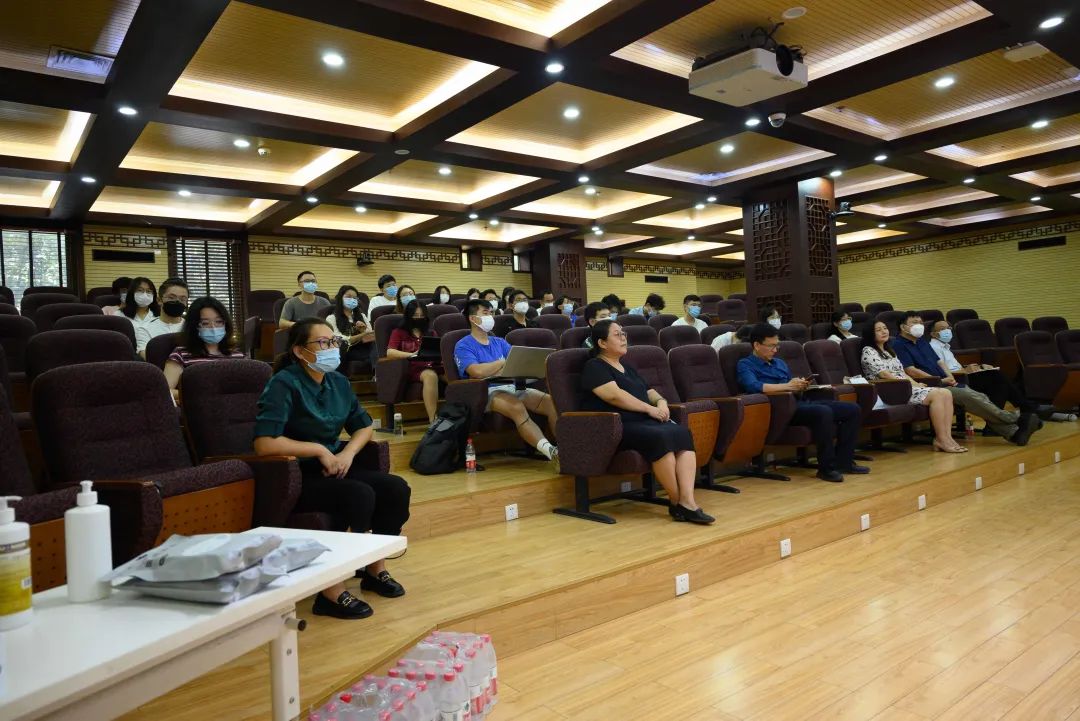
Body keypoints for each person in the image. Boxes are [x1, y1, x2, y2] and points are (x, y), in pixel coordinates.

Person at [254, 318, 411, 620]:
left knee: (395, 489)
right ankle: (330, 591)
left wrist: (348, 453)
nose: (331, 348)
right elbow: (265, 443)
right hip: (295, 474)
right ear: (300, 351)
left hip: (336, 465)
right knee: (358, 494)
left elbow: (364, 426)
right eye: (323, 343)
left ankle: (374, 569)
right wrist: (319, 450)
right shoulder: (284, 383)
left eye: (333, 342)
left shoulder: (337, 381)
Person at [581, 320, 713, 524]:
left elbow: (650, 392)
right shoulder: (594, 366)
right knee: (660, 436)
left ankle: (688, 501)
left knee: (681, 433)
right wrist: (650, 409)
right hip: (618, 424)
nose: (623, 338)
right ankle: (676, 501)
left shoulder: (627, 367)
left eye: (624, 333)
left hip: (643, 421)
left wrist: (661, 403)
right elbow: (614, 396)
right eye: (617, 334)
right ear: (602, 343)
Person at [737, 323, 867, 482]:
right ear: (757, 345)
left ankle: (844, 462)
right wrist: (788, 386)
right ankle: (826, 468)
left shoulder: (779, 363)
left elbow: (791, 386)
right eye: (771, 346)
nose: (775, 350)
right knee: (823, 412)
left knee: (852, 409)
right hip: (780, 410)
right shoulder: (745, 364)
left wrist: (800, 385)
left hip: (799, 402)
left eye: (777, 346)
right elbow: (753, 386)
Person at [892, 311, 1040, 446]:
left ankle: (1014, 433)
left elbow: (939, 362)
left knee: (980, 397)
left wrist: (950, 376)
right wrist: (939, 380)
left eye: (920, 322)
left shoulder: (922, 342)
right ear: (903, 327)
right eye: (914, 322)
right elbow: (911, 370)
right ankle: (1017, 418)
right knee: (971, 396)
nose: (919, 325)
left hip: (946, 381)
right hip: (930, 386)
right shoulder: (898, 344)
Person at [453, 299, 559, 466]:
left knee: (551, 402)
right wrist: (501, 363)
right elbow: (477, 372)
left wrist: (495, 368)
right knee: (516, 406)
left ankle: (565, 447)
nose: (490, 317)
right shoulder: (463, 345)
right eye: (485, 313)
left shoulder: (499, 342)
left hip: (511, 385)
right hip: (484, 391)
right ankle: (551, 452)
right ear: (472, 318)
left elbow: (516, 363)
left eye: (491, 313)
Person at [860, 321, 964, 453]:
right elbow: (885, 375)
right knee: (937, 395)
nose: (884, 331)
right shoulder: (868, 351)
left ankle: (947, 438)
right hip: (889, 390)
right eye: (878, 330)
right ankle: (940, 439)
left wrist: (916, 384)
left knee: (946, 393)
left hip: (903, 386)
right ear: (870, 334)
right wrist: (908, 385)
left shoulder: (889, 351)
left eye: (885, 328)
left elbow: (902, 372)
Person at [928, 320, 1036, 416]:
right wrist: (966, 370)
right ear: (933, 334)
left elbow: (954, 366)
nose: (947, 331)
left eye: (948, 328)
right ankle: (1023, 407)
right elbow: (943, 372)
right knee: (996, 378)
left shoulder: (945, 347)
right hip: (955, 381)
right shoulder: (934, 347)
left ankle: (1019, 409)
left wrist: (977, 367)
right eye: (943, 329)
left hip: (962, 376)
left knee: (996, 378)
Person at [163, 297, 245, 402]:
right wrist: (199, 397)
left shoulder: (238, 355)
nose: (213, 327)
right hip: (198, 408)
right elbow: (165, 390)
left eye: (219, 321)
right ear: (194, 326)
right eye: (205, 323)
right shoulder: (180, 355)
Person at [387, 300, 443, 423]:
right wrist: (411, 354)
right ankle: (433, 420)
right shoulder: (399, 332)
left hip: (434, 365)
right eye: (416, 315)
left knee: (453, 374)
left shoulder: (431, 332)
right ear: (409, 316)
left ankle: (458, 415)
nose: (419, 318)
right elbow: (390, 352)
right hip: (413, 368)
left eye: (422, 315)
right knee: (430, 375)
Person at [327, 285, 374, 374]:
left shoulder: (362, 316)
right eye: (348, 297)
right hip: (347, 350)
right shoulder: (332, 318)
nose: (352, 300)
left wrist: (363, 330)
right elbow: (338, 339)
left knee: (376, 345)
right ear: (340, 298)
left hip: (364, 348)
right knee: (342, 344)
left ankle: (377, 373)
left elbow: (370, 335)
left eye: (355, 298)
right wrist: (361, 335)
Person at [136, 278, 188, 358]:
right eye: (171, 297)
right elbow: (147, 356)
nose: (177, 301)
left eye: (183, 299)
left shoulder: (193, 326)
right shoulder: (145, 329)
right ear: (159, 300)